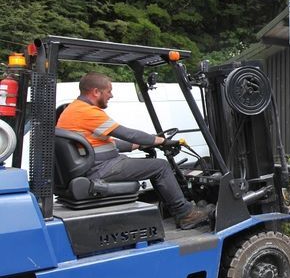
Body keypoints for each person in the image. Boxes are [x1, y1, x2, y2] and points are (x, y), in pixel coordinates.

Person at [56, 72, 210, 229]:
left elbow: (108, 142)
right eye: (109, 91)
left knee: (152, 164)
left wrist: (139, 145)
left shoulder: (73, 110)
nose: (111, 95)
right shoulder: (88, 112)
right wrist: (163, 141)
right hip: (100, 169)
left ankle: (175, 209)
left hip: (94, 166)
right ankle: (185, 214)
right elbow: (128, 134)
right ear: (96, 91)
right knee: (160, 166)